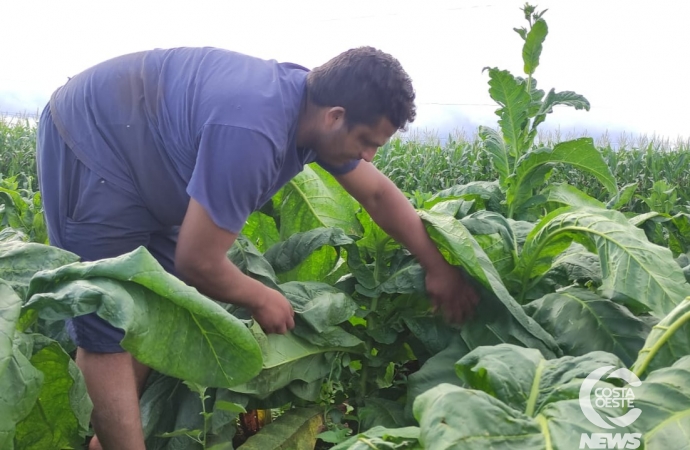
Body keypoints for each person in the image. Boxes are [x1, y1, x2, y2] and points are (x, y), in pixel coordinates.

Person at [36, 45, 478, 450]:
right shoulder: (254, 132)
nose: (368, 157)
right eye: (366, 143)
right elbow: (198, 261)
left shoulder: (310, 112)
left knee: (158, 305)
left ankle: (110, 435)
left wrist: (436, 265)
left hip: (148, 155)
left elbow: (378, 194)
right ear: (335, 116)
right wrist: (260, 295)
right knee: (107, 316)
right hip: (92, 143)